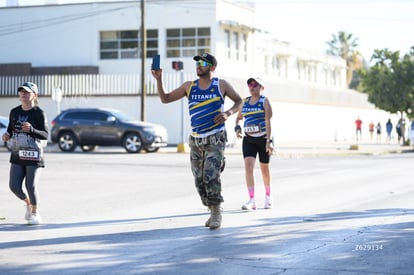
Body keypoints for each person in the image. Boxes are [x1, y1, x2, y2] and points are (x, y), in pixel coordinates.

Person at [151, 53, 242, 229]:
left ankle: (216, 211)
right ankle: (210, 206)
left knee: (210, 175)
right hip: (196, 140)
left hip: (215, 137)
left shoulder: (220, 85)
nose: (199, 66)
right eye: (197, 63)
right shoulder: (189, 86)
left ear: (212, 67)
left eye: (203, 63)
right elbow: (165, 99)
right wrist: (159, 79)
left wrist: (228, 113)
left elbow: (239, 100)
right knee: (199, 180)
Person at [1, 82, 49, 225]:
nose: (23, 94)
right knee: (14, 186)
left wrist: (32, 130)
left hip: (34, 155)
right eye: (21, 91)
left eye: (27, 92)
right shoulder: (14, 112)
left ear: (34, 95)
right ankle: (28, 203)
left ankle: (35, 213)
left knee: (30, 185)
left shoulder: (39, 113)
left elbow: (46, 135)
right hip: (17, 154)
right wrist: (7, 135)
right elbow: (10, 128)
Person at [235, 77, 274, 211]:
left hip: (263, 139)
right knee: (249, 167)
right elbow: (238, 119)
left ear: (262, 88)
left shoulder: (265, 101)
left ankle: (268, 196)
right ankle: (252, 200)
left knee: (265, 169)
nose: (252, 87)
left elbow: (268, 122)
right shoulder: (244, 102)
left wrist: (269, 141)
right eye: (250, 85)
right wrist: (237, 128)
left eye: (255, 85)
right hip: (249, 140)